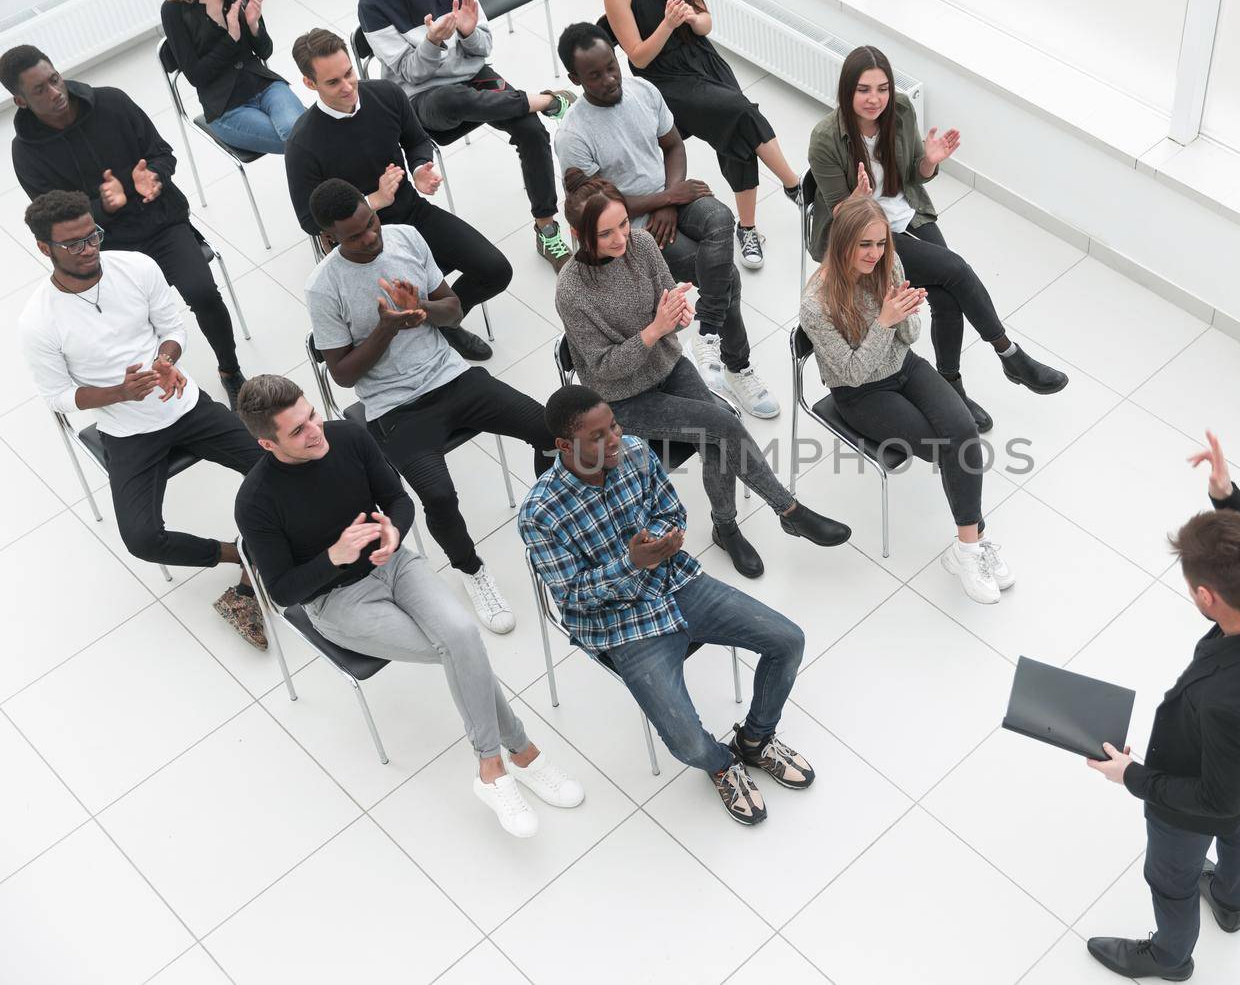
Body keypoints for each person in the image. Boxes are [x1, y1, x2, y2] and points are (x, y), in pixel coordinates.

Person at [234, 374, 585, 838]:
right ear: (266, 442)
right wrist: (333, 558)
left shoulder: (347, 436)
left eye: (312, 415)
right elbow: (282, 592)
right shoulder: (256, 501)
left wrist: (395, 531)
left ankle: (492, 769)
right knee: (458, 646)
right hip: (336, 599)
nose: (315, 430)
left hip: (396, 564)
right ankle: (519, 753)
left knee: (460, 639)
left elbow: (398, 499)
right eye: (296, 431)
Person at [1084, 431, 1240, 981]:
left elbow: (1213, 802)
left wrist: (1133, 776)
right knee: (1239, 828)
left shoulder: (1227, 703)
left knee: (1173, 877)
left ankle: (1169, 958)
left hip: (1196, 791)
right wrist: (1226, 497)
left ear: (1207, 598)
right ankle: (1231, 900)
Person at [521, 383, 816, 826]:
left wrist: (661, 541)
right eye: (598, 436)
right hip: (622, 624)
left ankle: (756, 741)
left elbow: (671, 512)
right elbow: (572, 597)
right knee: (688, 745)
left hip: (679, 585)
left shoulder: (637, 452)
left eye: (614, 426)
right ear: (565, 446)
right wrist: (630, 563)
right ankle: (720, 764)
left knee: (788, 640)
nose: (615, 439)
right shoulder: (540, 514)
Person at [558, 177, 849, 579]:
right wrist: (654, 330)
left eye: (623, 223)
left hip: (669, 366)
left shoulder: (642, 245)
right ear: (578, 234)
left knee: (715, 437)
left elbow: (668, 316)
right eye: (605, 233)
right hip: (621, 398)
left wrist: (677, 313)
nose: (620, 238)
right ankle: (787, 510)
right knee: (721, 422)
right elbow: (603, 369)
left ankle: (725, 526)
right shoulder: (571, 291)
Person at [17, 190, 267, 648]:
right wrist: (120, 392)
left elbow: (172, 327)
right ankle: (241, 556)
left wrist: (167, 360)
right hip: (127, 431)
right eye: (72, 244)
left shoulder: (135, 266)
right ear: (44, 249)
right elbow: (59, 397)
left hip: (184, 404)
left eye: (92, 235)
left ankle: (264, 555)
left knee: (279, 464)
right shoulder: (38, 322)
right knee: (142, 539)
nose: (88, 248)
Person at [307, 179, 556, 633]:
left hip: (451, 377)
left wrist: (420, 308)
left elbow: (454, 309)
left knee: (551, 428)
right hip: (394, 408)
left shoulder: (406, 237)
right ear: (329, 238)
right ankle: (472, 571)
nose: (371, 237)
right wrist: (387, 327)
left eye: (371, 222)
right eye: (356, 235)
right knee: (438, 495)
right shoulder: (323, 288)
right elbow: (342, 375)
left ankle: (551, 505)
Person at [808, 46, 1067, 431]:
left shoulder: (899, 109)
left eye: (882, 88)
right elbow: (841, 217)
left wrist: (928, 161)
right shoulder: (825, 138)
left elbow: (912, 175)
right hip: (865, 234)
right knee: (955, 269)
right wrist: (858, 199)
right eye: (863, 90)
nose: (874, 99)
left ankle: (952, 386)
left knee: (947, 295)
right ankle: (1009, 355)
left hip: (907, 213)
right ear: (847, 91)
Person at [2, 44, 249, 406]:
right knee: (120, 325)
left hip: (161, 222)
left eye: (54, 80)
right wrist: (103, 207)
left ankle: (230, 371)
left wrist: (152, 177)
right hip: (103, 244)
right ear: (21, 101)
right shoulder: (25, 152)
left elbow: (162, 153)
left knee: (202, 294)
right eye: (40, 89)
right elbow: (52, 218)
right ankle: (145, 381)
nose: (55, 93)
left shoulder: (112, 102)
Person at [555, 22, 777, 421]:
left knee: (720, 218)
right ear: (575, 79)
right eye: (595, 75)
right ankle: (736, 364)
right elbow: (596, 207)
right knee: (728, 278)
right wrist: (666, 199)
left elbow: (673, 144)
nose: (609, 79)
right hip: (629, 230)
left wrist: (670, 199)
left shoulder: (643, 91)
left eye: (612, 67)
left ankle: (707, 332)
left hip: (666, 204)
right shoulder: (573, 135)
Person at [798, 194, 1011, 605]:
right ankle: (972, 545)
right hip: (859, 394)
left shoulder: (888, 264)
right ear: (843, 243)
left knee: (963, 433)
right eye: (865, 245)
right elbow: (853, 372)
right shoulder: (816, 304)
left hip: (905, 366)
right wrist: (884, 321)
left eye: (880, 244)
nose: (875, 254)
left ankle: (968, 547)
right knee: (947, 446)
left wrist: (907, 314)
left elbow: (910, 337)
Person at [354, 0, 575, 272]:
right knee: (450, 99)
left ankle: (546, 228)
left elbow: (484, 46)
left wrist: (470, 33)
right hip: (422, 97)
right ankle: (543, 99)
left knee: (532, 131)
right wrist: (433, 41)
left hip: (473, 77)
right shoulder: (373, 2)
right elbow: (410, 72)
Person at [284, 27, 506, 362]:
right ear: (309, 83)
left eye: (349, 74)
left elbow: (415, 141)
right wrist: (372, 202)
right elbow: (307, 219)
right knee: (380, 310)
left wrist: (419, 169)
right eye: (333, 82)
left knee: (496, 270)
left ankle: (440, 321)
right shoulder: (302, 143)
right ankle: (431, 317)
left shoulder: (385, 95)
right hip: (362, 241)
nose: (347, 87)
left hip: (413, 214)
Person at [603, 0, 803, 271]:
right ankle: (796, 187)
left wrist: (692, 19)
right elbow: (639, 57)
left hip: (703, 60)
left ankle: (749, 227)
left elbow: (707, 22)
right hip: (664, 80)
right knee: (740, 111)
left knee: (737, 134)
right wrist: (667, 23)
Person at [157, 0, 305, 155]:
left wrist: (254, 25)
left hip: (264, 85)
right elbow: (197, 76)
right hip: (226, 107)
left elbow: (265, 52)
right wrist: (232, 36)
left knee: (302, 133)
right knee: (303, 142)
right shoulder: (174, 11)